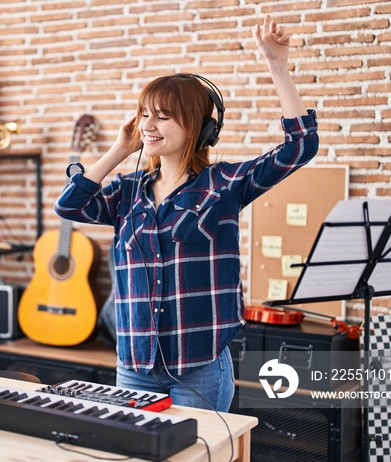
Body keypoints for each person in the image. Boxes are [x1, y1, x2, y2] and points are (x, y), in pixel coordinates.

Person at [54, 15, 318, 411]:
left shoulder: (224, 184)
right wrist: (120, 150)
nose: (148, 125)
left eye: (161, 116)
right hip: (133, 366)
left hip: (200, 369)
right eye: (144, 113)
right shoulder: (128, 192)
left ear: (197, 126)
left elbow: (300, 147)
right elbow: (69, 204)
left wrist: (276, 64)